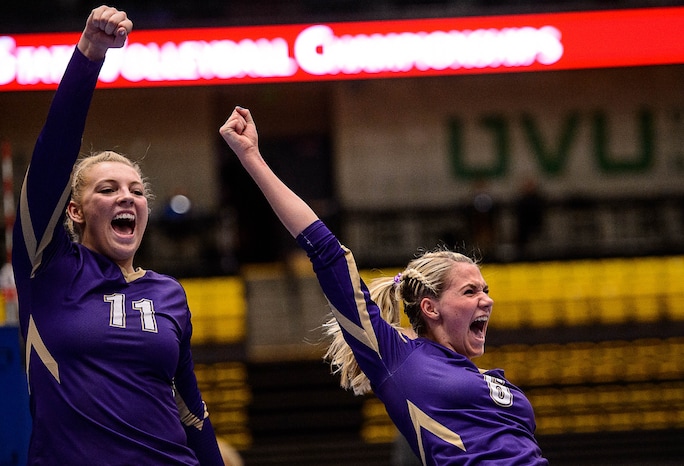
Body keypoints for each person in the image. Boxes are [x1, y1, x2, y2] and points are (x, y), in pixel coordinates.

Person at [220, 107, 548, 465]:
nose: (486, 300)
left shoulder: (492, 381)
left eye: (485, 290)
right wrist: (252, 157)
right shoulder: (398, 358)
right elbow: (329, 255)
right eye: (470, 291)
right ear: (430, 307)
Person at [12, 6, 224, 465]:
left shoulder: (168, 294)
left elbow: (192, 412)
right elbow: (54, 153)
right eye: (107, 190)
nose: (127, 198)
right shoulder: (46, 270)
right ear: (74, 211)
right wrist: (89, 55)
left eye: (136, 191)